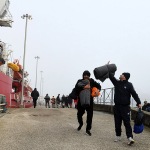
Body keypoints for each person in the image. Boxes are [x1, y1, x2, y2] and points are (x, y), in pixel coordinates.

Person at [109, 72, 141, 145]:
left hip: (125, 107)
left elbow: (134, 94)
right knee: (117, 122)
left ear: (125, 77)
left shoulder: (129, 85)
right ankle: (118, 135)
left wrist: (138, 102)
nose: (120, 75)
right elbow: (111, 77)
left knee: (127, 122)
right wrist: (108, 68)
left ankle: (129, 137)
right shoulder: (116, 83)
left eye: (122, 74)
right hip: (117, 106)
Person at [71, 70, 101, 136]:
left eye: (87, 75)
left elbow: (99, 86)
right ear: (83, 75)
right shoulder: (79, 81)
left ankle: (88, 129)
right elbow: (76, 88)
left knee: (90, 115)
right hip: (81, 100)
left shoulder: (92, 81)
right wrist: (84, 87)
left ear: (89, 76)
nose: (86, 76)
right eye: (85, 75)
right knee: (79, 114)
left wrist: (97, 90)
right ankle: (80, 124)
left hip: (89, 100)